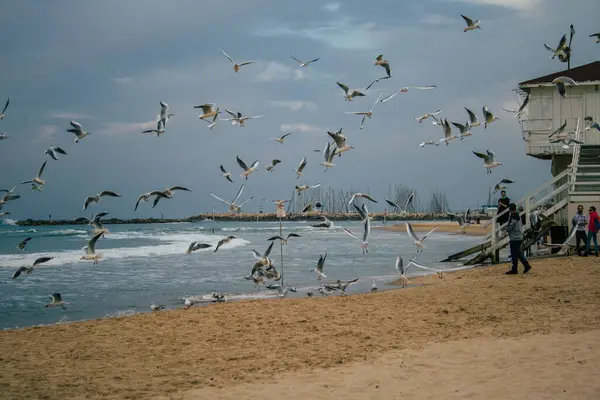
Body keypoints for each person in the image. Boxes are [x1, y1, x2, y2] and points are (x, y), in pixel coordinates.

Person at [504, 203, 531, 275]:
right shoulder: (518, 215)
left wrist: (506, 230)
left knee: (515, 253)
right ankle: (520, 267)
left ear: (510, 209)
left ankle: (522, 266)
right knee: (517, 253)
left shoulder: (513, 216)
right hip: (519, 236)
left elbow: (510, 226)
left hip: (514, 237)